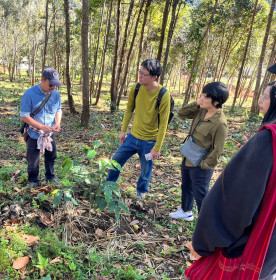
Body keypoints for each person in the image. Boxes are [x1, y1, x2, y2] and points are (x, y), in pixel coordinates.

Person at [186, 100, 276, 279]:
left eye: (266, 96)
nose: (259, 101)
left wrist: (203, 243)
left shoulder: (267, 140)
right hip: (271, 257)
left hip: (246, 255)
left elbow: (232, 205)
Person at [106, 58, 171, 199]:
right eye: (139, 72)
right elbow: (129, 109)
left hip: (149, 142)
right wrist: (123, 130)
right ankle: (108, 187)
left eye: (144, 74)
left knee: (145, 170)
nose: (140, 76)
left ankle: (141, 194)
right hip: (132, 137)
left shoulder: (163, 95)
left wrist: (157, 148)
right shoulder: (136, 88)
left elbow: (163, 124)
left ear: (154, 77)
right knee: (115, 161)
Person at [169, 82, 229, 221]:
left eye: (204, 96)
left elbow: (217, 150)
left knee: (200, 193)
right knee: (186, 185)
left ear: (215, 101)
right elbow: (182, 113)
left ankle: (205, 221)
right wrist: (197, 103)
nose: (201, 98)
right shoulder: (202, 110)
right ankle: (186, 210)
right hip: (189, 154)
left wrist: (204, 165)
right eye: (201, 95)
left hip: (201, 162)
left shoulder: (220, 123)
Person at [20, 68, 62, 188]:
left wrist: (57, 122)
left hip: (49, 133)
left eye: (55, 85)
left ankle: (51, 176)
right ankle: (33, 179)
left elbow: (58, 110)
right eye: (51, 84)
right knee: (33, 159)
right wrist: (41, 127)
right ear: (43, 79)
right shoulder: (29, 94)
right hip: (34, 132)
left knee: (51, 156)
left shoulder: (55, 94)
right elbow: (24, 115)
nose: (53, 87)